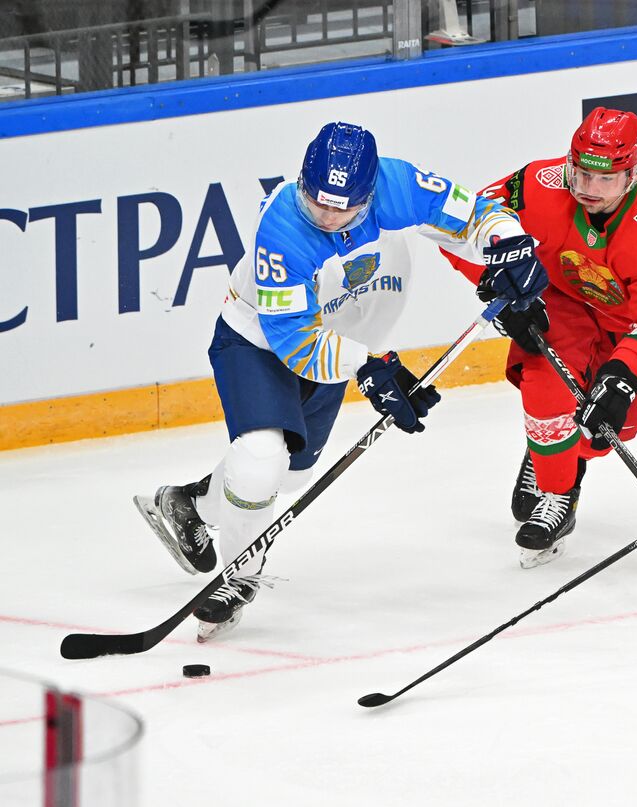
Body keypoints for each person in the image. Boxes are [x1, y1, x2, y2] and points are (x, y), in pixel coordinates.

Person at [133, 122, 547, 641]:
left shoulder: (396, 185)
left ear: (370, 193)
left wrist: (510, 245)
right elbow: (296, 343)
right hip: (259, 344)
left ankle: (190, 504)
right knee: (261, 462)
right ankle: (238, 573)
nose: (328, 216)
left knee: (286, 477)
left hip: (340, 343)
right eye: (317, 203)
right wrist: (372, 368)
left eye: (343, 208)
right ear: (302, 182)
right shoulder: (282, 229)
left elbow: (478, 215)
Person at [442, 107, 637, 568]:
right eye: (580, 175)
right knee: (547, 391)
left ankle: (556, 456)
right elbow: (460, 222)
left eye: (605, 181)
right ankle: (559, 495)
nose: (587, 190)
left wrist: (623, 378)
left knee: (604, 429)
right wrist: (498, 281)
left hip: (627, 327)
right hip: (560, 302)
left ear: (633, 174)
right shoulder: (540, 183)